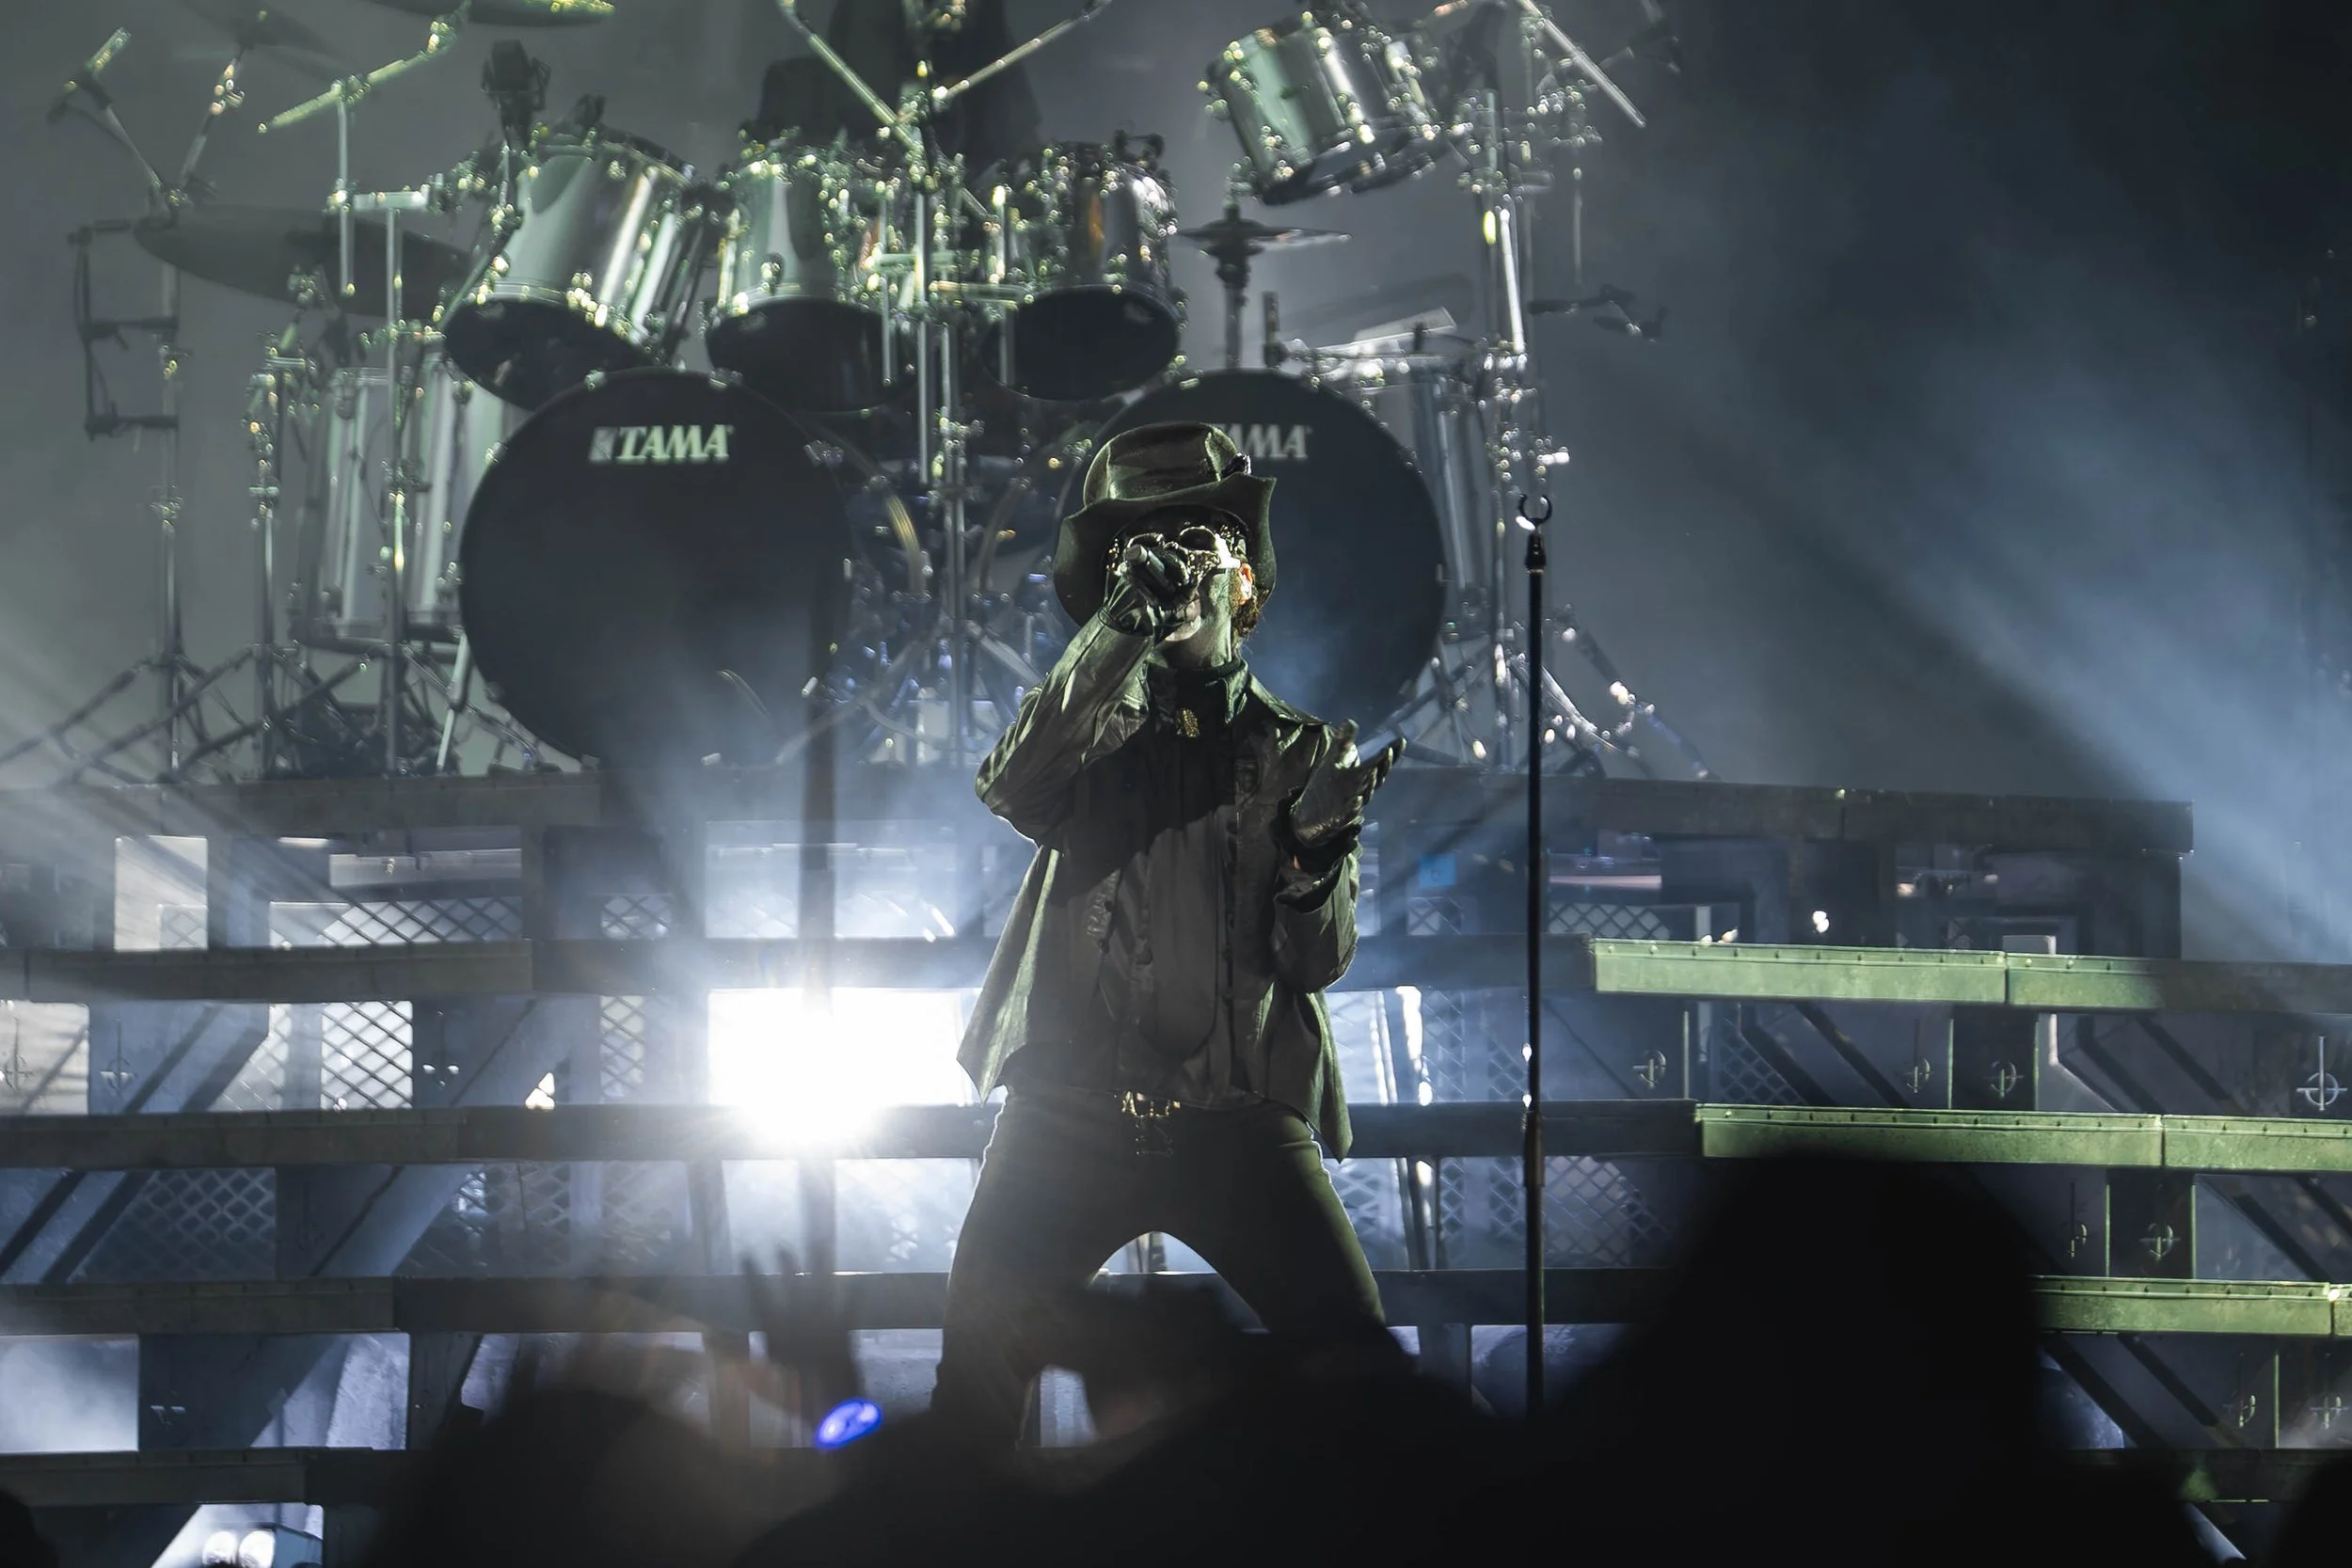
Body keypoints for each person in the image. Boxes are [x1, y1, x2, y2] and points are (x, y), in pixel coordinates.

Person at [930, 421, 1408, 1445]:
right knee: (973, 1387)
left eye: (1198, 538)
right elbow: (1009, 784)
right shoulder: (1081, 731)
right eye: (1139, 548)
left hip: (1238, 1122)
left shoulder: (1299, 749)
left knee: (1363, 1376)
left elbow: (1317, 960)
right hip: (1067, 1118)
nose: (1175, 564)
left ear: (1246, 578)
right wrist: (1120, 627)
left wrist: (1317, 852)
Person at [747, 0, 1041, 170]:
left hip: (965, 166)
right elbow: (866, 96)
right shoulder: (870, 13)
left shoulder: (981, 17)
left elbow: (1007, 98)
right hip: (873, 162)